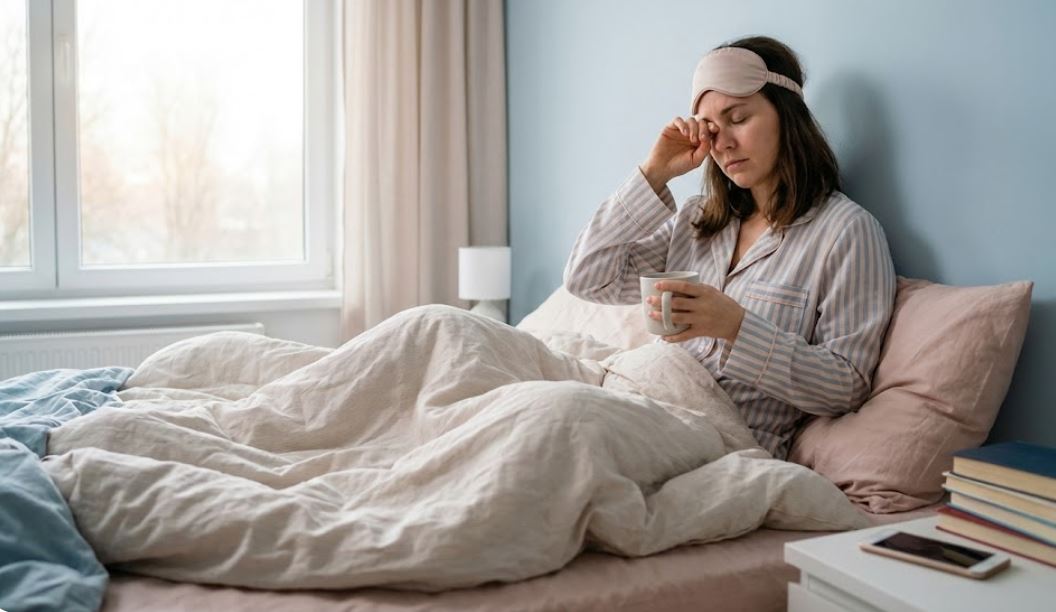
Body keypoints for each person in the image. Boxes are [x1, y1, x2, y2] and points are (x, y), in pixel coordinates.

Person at [564, 36, 896, 460]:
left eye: (738, 118)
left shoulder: (846, 233)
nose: (722, 144)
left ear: (786, 116)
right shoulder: (699, 220)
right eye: (710, 130)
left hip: (716, 441)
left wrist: (737, 327)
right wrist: (654, 174)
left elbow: (845, 386)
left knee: (560, 430)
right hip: (638, 398)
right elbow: (587, 278)